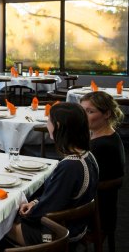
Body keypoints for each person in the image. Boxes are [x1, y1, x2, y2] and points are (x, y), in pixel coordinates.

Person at [7, 102, 99, 246]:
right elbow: (58, 198)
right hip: (76, 225)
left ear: (58, 126)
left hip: (59, 233)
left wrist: (24, 213)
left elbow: (49, 208)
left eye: (49, 120)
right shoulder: (87, 156)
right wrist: (35, 202)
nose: (47, 123)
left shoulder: (70, 166)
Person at [79, 91, 125, 240]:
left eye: (90, 111)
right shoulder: (112, 136)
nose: (83, 116)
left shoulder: (100, 146)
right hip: (104, 211)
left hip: (92, 216)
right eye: (82, 111)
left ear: (107, 114)